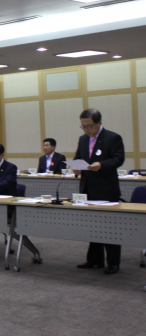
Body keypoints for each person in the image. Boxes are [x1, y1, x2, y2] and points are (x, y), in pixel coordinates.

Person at [73, 109, 125, 275]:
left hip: (106, 189)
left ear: (99, 123)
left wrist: (102, 165)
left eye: (89, 126)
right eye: (83, 126)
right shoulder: (83, 139)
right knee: (93, 225)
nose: (87, 130)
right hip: (88, 188)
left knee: (110, 227)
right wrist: (76, 168)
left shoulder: (112, 137)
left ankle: (113, 262)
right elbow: (78, 158)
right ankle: (95, 259)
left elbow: (118, 159)